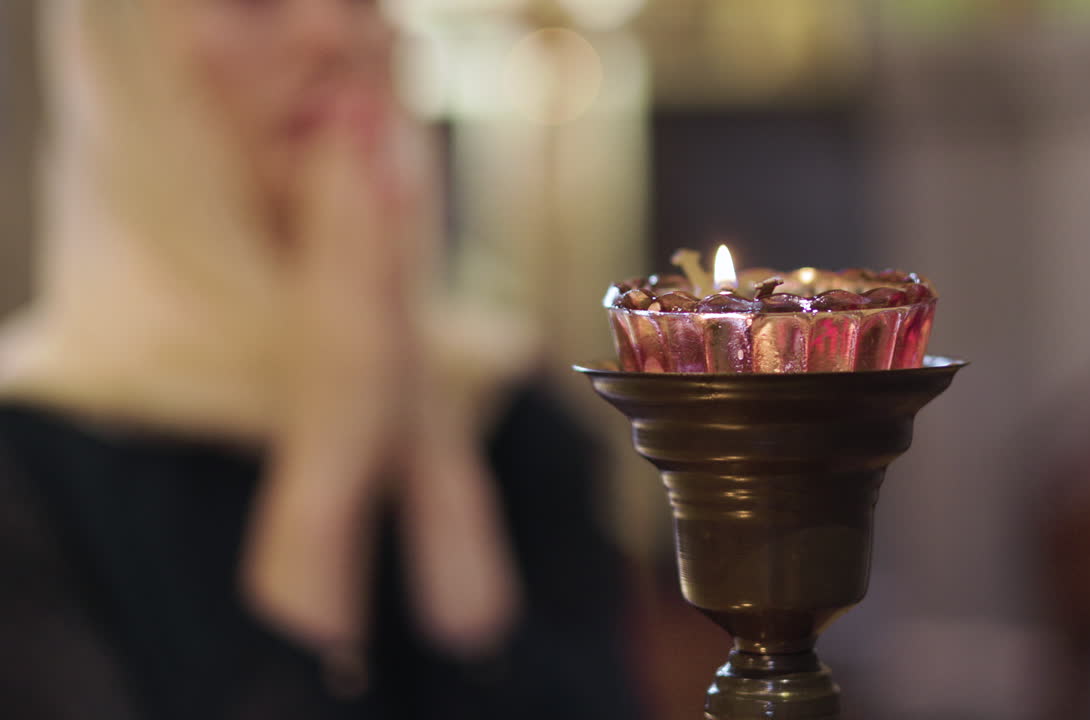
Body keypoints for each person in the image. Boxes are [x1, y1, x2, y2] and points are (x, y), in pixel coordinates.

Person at [0, 1, 637, 718]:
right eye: (254, 2)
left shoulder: (513, 416)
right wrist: (327, 465)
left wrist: (433, 450)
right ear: (122, 61)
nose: (331, 36)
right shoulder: (31, 467)